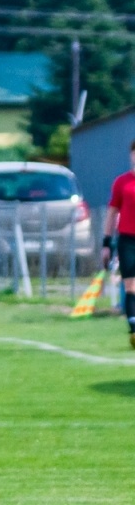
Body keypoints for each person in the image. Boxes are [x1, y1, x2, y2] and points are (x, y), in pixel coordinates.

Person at [103, 140, 135, 349]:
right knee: (130, 286)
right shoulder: (122, 182)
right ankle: (133, 329)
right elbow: (112, 212)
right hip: (127, 240)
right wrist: (106, 243)